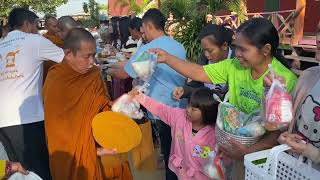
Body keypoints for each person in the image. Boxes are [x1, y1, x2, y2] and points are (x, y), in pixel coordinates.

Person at [150, 17, 297, 178]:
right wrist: (167, 58)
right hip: (233, 150)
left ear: (266, 49)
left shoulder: (284, 81)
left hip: (263, 159)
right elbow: (199, 72)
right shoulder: (235, 65)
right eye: (236, 47)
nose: (238, 54)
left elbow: (280, 132)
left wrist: (247, 152)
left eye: (243, 49)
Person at [107, 8, 187, 180]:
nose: (142, 31)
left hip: (161, 109)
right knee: (178, 148)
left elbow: (125, 74)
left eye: (143, 27)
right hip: (180, 105)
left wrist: (104, 69)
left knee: (169, 152)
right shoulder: (178, 45)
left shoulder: (150, 49)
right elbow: (130, 66)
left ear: (149, 26)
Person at [43, 28, 131, 180]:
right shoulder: (56, 80)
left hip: (103, 147)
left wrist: (123, 102)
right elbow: (58, 132)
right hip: (75, 157)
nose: (92, 62)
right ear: (68, 54)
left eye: (94, 55)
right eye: (87, 56)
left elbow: (103, 108)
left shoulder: (93, 75)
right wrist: (94, 151)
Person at [0, 8, 64, 180]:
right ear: (28, 24)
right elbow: (69, 59)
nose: (37, 29)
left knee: (20, 171)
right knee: (39, 170)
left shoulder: (1, 44)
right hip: (27, 118)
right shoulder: (34, 40)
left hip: (3, 120)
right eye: (36, 25)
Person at [129, 87, 218, 179]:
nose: (188, 110)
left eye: (193, 109)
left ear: (206, 113)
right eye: (188, 105)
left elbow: (223, 159)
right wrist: (140, 97)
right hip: (179, 170)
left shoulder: (214, 134)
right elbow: (160, 109)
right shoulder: (179, 117)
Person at [277, 21, 320, 167]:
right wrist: (283, 137)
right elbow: (288, 126)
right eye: (319, 30)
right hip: (289, 169)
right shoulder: (308, 77)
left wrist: (311, 152)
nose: (318, 38)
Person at [173, 24, 234, 101]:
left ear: (224, 45)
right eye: (204, 50)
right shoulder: (204, 59)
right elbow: (197, 83)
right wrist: (185, 91)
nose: (206, 54)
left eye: (210, 50)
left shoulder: (237, 63)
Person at [42, 15, 64, 83]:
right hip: (49, 75)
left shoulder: (62, 37)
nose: (57, 28)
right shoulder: (44, 40)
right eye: (54, 26)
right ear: (46, 27)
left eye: (58, 26)